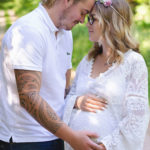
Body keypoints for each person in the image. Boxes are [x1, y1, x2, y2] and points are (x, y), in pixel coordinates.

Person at [0, 0, 103, 150]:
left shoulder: (66, 34)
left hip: (56, 135)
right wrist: (72, 137)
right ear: (67, 1)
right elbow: (29, 97)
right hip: (24, 140)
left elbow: (61, 88)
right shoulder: (29, 30)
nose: (82, 21)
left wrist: (76, 101)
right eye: (82, 13)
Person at [63, 0, 150, 150]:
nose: (87, 23)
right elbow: (68, 99)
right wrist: (77, 101)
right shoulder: (87, 61)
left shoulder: (133, 62)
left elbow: (137, 116)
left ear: (111, 24)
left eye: (93, 19)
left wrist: (104, 146)